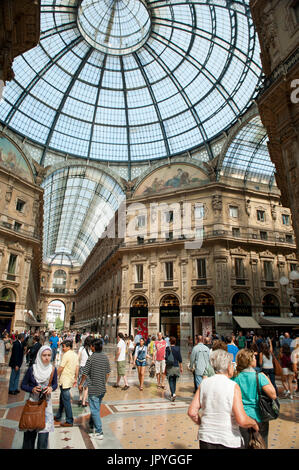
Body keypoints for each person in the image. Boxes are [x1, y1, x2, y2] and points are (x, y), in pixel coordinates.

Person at [188, 349, 259, 449]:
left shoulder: (204, 383)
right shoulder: (233, 386)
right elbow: (241, 420)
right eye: (232, 364)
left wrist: (202, 423)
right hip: (228, 439)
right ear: (228, 366)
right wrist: (253, 423)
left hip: (206, 439)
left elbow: (192, 412)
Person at [232, 348, 277, 448]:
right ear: (249, 361)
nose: (255, 359)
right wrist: (266, 378)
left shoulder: (235, 377)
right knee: (261, 443)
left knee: (244, 444)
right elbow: (273, 395)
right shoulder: (259, 376)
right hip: (259, 416)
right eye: (254, 358)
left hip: (241, 417)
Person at [20, 345, 58, 449]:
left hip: (46, 407)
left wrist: (51, 388)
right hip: (33, 405)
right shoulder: (33, 369)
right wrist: (32, 389)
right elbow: (23, 385)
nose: (47, 358)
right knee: (29, 438)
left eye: (49, 355)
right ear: (39, 356)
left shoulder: (53, 370)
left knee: (43, 440)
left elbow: (55, 384)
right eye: (44, 355)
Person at [78, 339, 111, 440]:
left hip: (93, 388)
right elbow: (108, 372)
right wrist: (104, 381)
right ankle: (92, 426)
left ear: (93, 347)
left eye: (92, 346)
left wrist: (81, 383)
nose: (91, 347)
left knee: (95, 410)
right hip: (102, 388)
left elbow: (85, 373)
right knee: (96, 408)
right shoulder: (105, 358)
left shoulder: (91, 358)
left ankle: (99, 432)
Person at [54, 340, 79, 426]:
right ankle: (58, 415)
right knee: (62, 399)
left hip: (65, 379)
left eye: (64, 346)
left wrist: (53, 377)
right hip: (70, 379)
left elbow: (61, 368)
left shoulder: (66, 355)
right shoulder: (75, 355)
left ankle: (69, 420)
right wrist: (75, 378)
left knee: (66, 400)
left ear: (68, 347)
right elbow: (77, 367)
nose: (63, 348)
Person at [165, 336, 183, 402]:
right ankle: (173, 393)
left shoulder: (167, 348)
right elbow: (180, 359)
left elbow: (166, 358)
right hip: (176, 366)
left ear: (170, 341)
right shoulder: (178, 348)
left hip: (170, 366)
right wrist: (181, 367)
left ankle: (173, 393)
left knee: (170, 380)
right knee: (174, 380)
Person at [78, 336, 93, 406]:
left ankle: (80, 398)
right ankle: (84, 402)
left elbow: (78, 358)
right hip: (89, 368)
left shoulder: (81, 348)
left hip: (81, 367)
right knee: (86, 387)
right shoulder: (92, 349)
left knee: (80, 384)